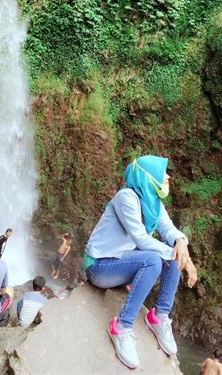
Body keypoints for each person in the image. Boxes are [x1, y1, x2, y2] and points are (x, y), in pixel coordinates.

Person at [84, 155, 197, 369]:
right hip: (99, 266)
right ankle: (122, 326)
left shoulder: (154, 202)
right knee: (155, 259)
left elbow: (168, 229)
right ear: (149, 177)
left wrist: (181, 242)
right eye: (163, 173)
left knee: (171, 254)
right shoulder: (126, 197)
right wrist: (184, 258)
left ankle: (159, 316)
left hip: (121, 263)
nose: (168, 176)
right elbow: (141, 239)